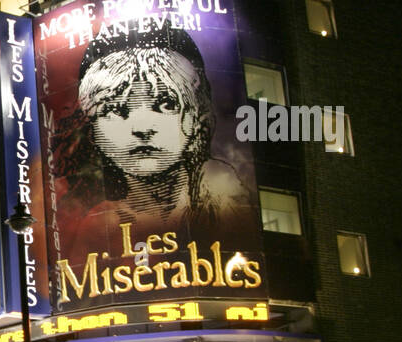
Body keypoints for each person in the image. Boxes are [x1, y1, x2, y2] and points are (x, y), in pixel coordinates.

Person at [46, 24, 252, 256]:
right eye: (116, 109)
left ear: (196, 116)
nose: (142, 127)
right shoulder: (91, 225)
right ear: (93, 128)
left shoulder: (229, 204)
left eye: (166, 104)